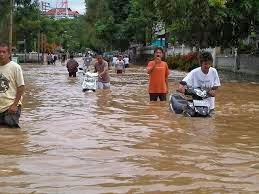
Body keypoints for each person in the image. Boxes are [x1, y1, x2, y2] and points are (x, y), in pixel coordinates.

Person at [0, 43, 25, 128]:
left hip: (11, 107)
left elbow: (21, 87)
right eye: (0, 52)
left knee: (12, 132)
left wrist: (15, 105)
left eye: (4, 52)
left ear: (9, 54)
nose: (1, 54)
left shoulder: (15, 67)